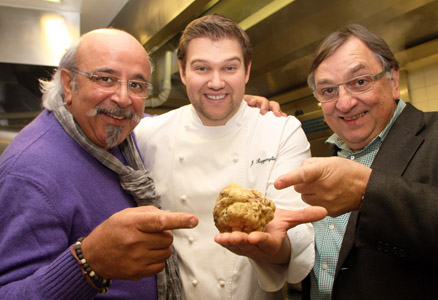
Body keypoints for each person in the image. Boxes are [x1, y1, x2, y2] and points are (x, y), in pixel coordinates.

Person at [134, 14, 327, 300]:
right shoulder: (148, 135)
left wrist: (275, 247)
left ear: (247, 71)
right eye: (202, 68)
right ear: (183, 72)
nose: (216, 82)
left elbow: (293, 232)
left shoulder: (280, 130)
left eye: (229, 68)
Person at [0, 28, 200, 300]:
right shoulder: (32, 172)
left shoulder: (118, 135)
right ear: (69, 84)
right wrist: (90, 262)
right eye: (106, 79)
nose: (123, 98)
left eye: (136, 85)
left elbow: (170, 123)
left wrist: (238, 110)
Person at [274, 24, 438, 299]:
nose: (345, 102)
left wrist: (367, 191)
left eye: (360, 82)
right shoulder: (328, 158)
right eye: (328, 91)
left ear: (393, 81)